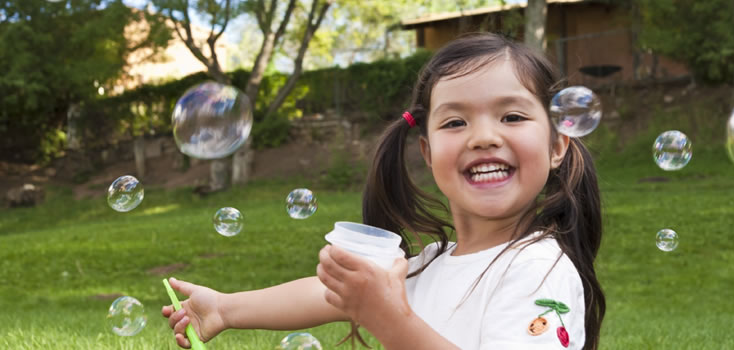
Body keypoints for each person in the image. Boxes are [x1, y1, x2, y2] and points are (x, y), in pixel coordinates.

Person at [162, 32, 605, 350]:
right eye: (455, 121)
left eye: (511, 116)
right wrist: (225, 308)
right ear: (428, 153)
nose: (483, 136)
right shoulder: (432, 264)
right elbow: (324, 294)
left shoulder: (538, 268)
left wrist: (388, 320)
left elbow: (383, 313)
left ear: (556, 145)